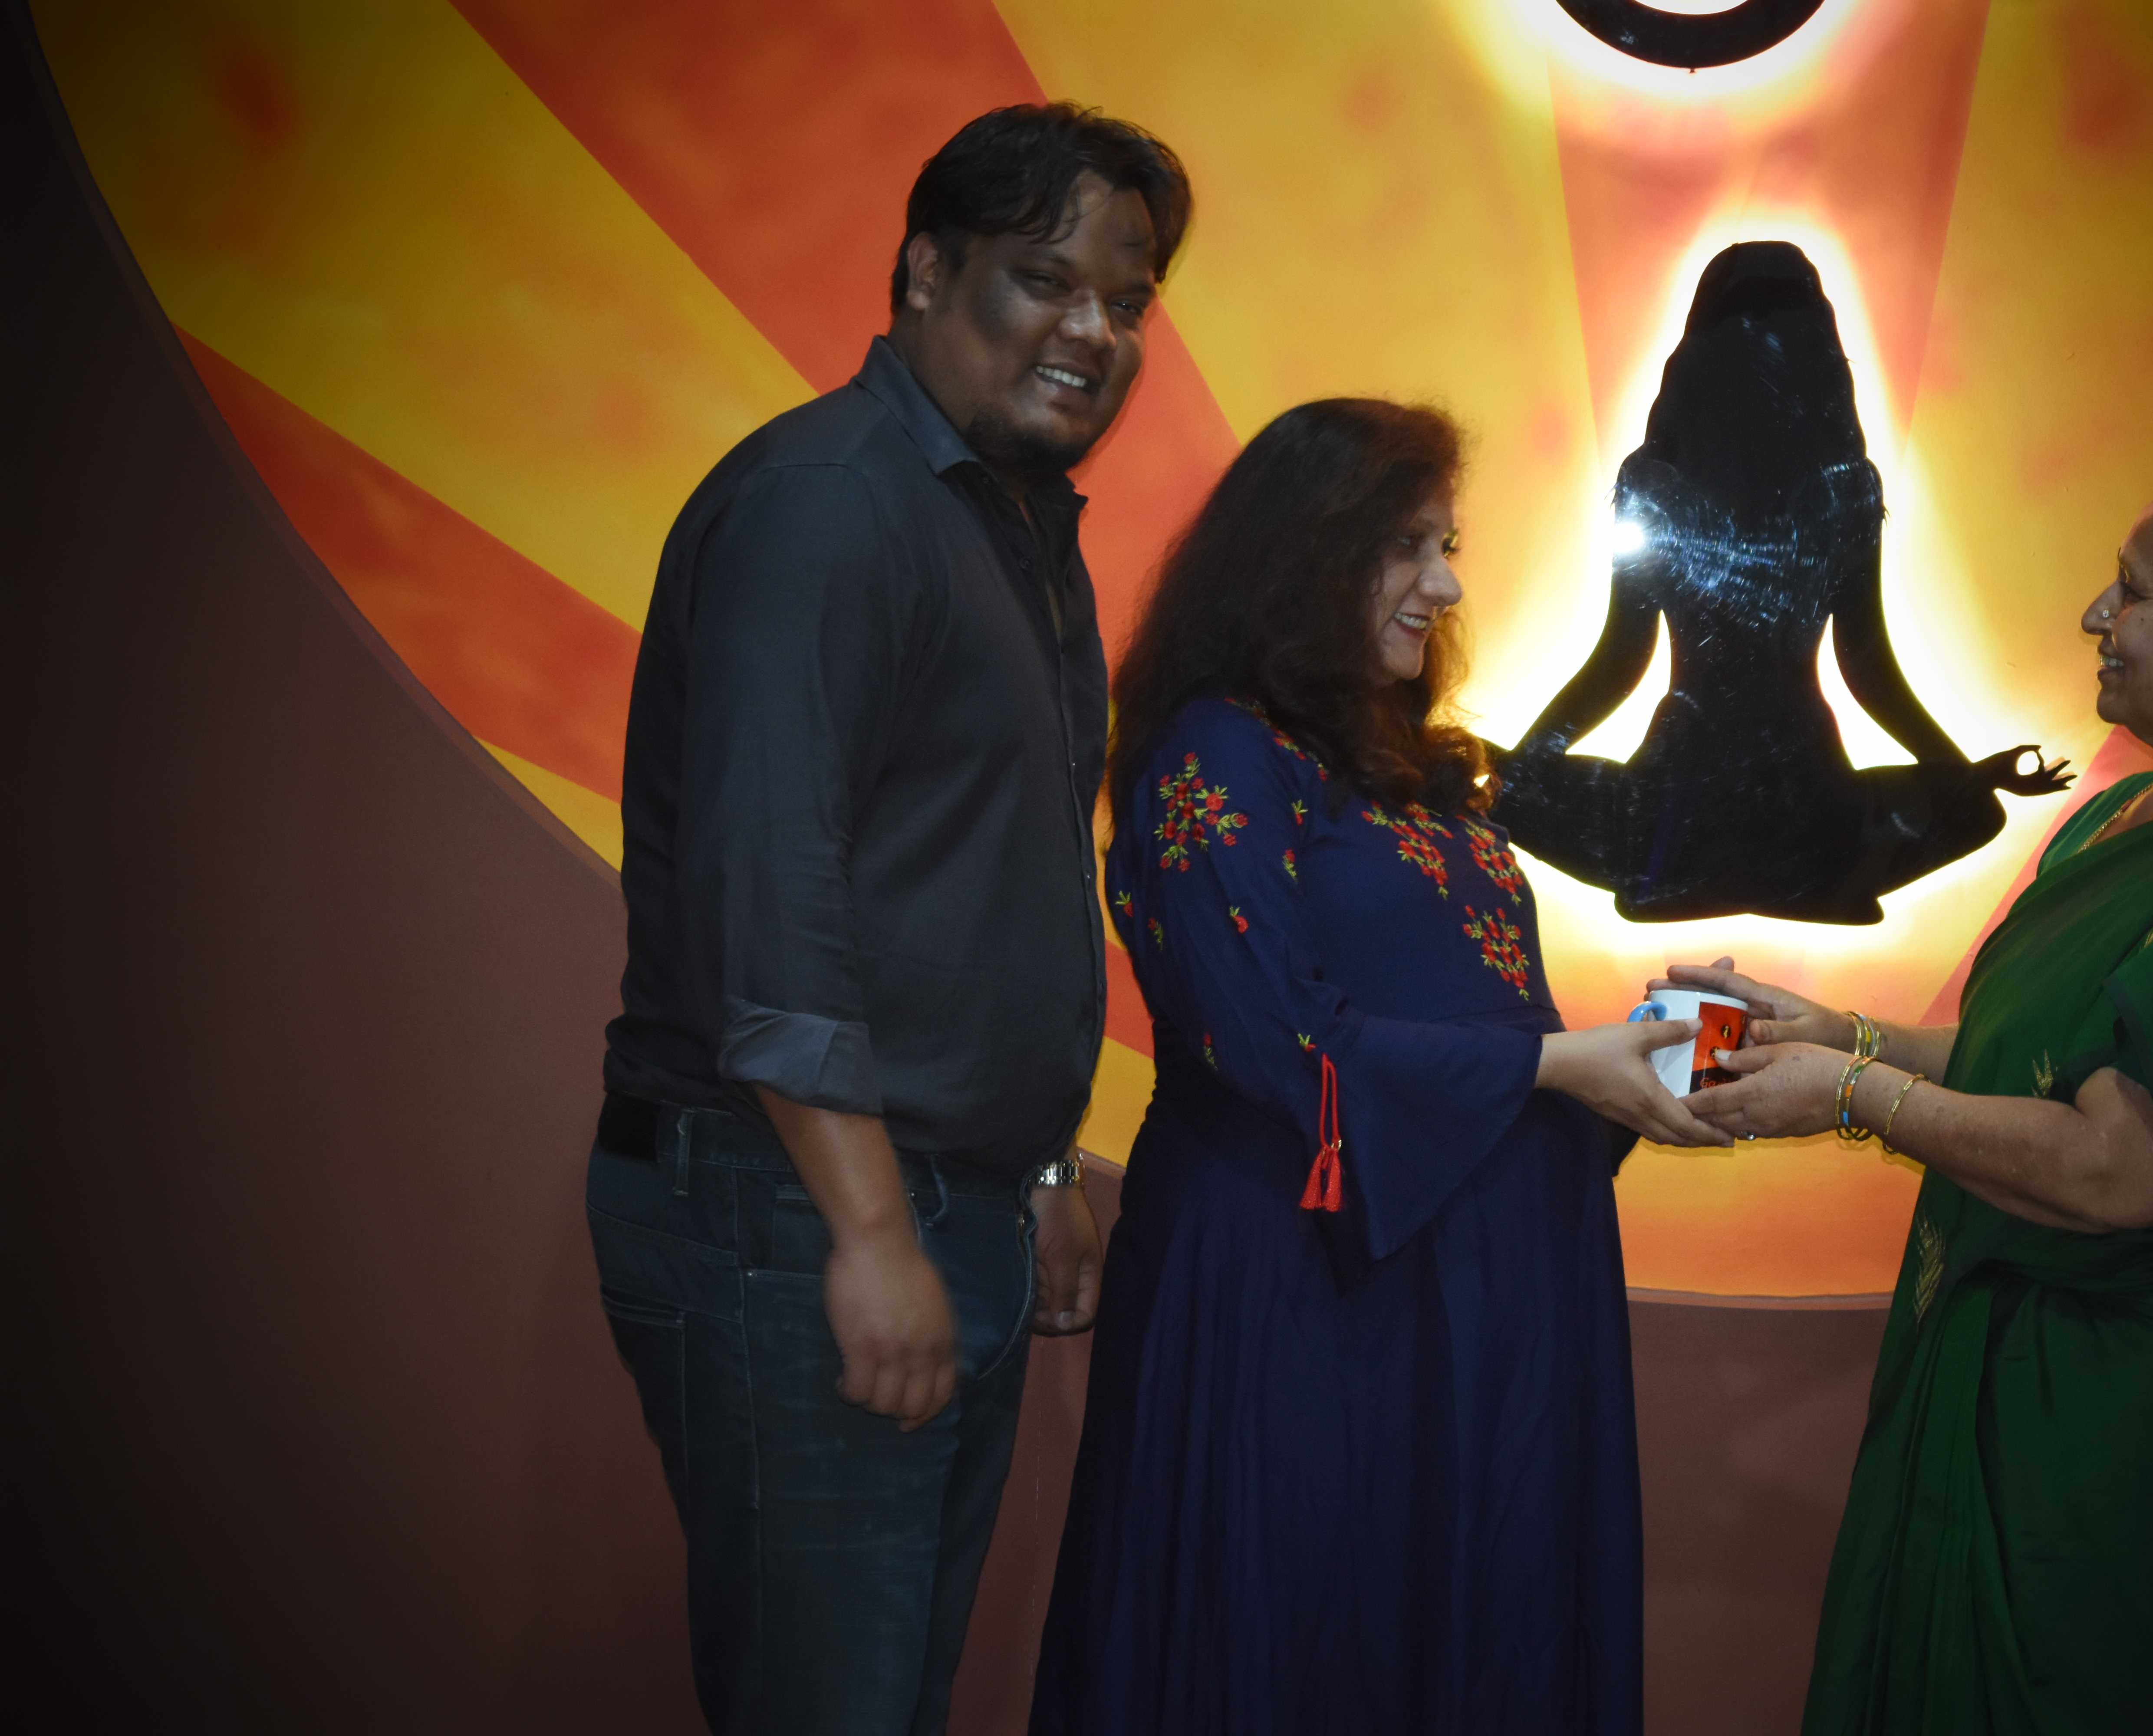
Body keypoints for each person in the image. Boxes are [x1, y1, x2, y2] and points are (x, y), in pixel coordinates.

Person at [1668, 456, 2153, 1732]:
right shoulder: (2119, 820)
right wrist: (1840, 1032)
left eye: (2133, 592)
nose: (2097, 616)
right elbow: (2016, 1060)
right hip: (1991, 1376)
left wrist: (1851, 1094)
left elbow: (2118, 1170)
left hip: (2113, 1439)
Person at [584, 105, 1190, 1734]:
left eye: (1125, 302)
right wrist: (867, 1233)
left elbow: (977, 882)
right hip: (797, 1205)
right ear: (926, 270)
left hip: (927, 1199)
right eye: (1044, 281)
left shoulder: (1010, 524)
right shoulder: (831, 504)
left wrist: (1038, 1174)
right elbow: (772, 895)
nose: (1093, 332)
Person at [1030, 399, 1725, 1736]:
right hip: (1293, 1280)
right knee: (1292, 1627)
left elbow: (1493, 1027)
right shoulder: (1216, 748)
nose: (1445, 585)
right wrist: (1559, 1065)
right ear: (1307, 555)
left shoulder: (1415, 771)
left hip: (1462, 1281)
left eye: (1446, 546)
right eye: (1407, 547)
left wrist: (1649, 1053)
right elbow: (1271, 1040)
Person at [1489, 241, 2065, 925]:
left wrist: (1524, 768)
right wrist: (1963, 779)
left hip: (1683, 793)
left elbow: (1620, 660)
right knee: (1976, 814)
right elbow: (1868, 670)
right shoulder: (1843, 487)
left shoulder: (1659, 481)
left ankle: (1688, 879)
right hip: (1805, 797)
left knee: (1507, 793)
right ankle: (1810, 884)